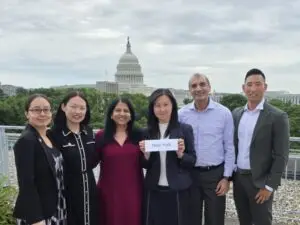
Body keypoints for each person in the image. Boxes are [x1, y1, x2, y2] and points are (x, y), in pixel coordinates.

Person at [232, 68, 290, 225]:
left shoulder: (277, 116)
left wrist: (270, 186)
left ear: (265, 87)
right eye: (249, 85)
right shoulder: (237, 114)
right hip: (239, 179)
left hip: (260, 182)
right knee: (244, 220)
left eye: (258, 84)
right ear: (243, 88)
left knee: (262, 221)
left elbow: (282, 155)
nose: (253, 89)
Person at [178, 73, 235, 225]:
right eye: (194, 86)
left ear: (209, 87)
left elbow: (229, 147)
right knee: (190, 219)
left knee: (215, 220)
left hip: (215, 175)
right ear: (189, 90)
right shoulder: (181, 114)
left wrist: (226, 178)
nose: (199, 88)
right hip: (190, 175)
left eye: (202, 84)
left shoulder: (224, 113)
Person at [139, 88, 196, 225]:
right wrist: (146, 155)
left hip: (177, 189)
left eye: (166, 105)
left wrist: (181, 155)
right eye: (157, 105)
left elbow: (192, 160)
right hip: (154, 189)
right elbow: (144, 164)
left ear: (173, 106)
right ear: (152, 108)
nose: (162, 109)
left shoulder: (184, 129)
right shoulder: (146, 132)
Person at [13, 94, 67, 225]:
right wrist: (36, 219)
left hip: (56, 208)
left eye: (46, 109)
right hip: (39, 214)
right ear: (27, 114)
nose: (42, 113)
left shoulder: (49, 137)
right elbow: (26, 184)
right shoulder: (26, 141)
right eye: (36, 110)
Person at [50, 91, 99, 225]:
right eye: (73, 107)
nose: (78, 111)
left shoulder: (89, 132)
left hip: (90, 187)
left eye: (82, 108)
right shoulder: (53, 134)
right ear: (63, 107)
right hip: (67, 191)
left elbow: (95, 159)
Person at [95, 97, 144, 225]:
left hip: (134, 191)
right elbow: (92, 161)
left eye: (126, 111)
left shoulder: (140, 135)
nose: (122, 114)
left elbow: (147, 162)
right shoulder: (100, 136)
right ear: (111, 114)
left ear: (131, 115)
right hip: (109, 192)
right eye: (118, 110)